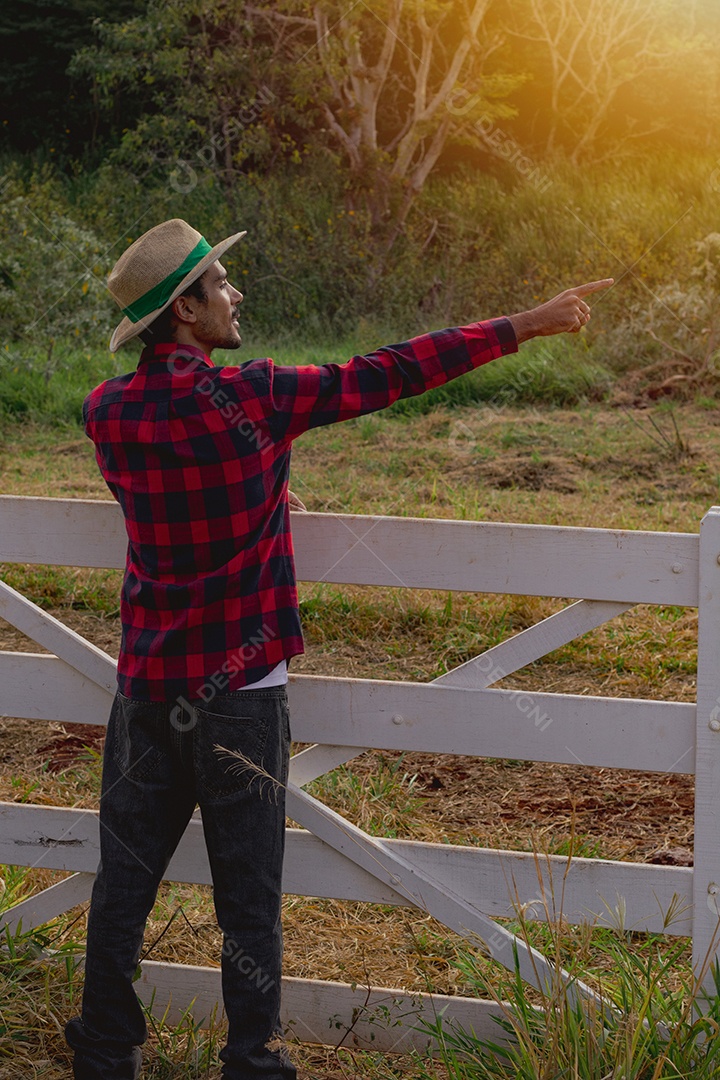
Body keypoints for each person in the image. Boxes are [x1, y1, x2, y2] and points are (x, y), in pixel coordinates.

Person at [64, 217, 612, 1079]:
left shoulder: (108, 413)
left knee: (123, 885)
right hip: (240, 693)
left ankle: (103, 1054)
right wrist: (525, 323)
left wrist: (264, 492)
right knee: (248, 899)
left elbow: (175, 496)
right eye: (219, 284)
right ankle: (253, 1061)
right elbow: (388, 371)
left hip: (147, 689)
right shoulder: (259, 399)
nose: (234, 293)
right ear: (187, 314)